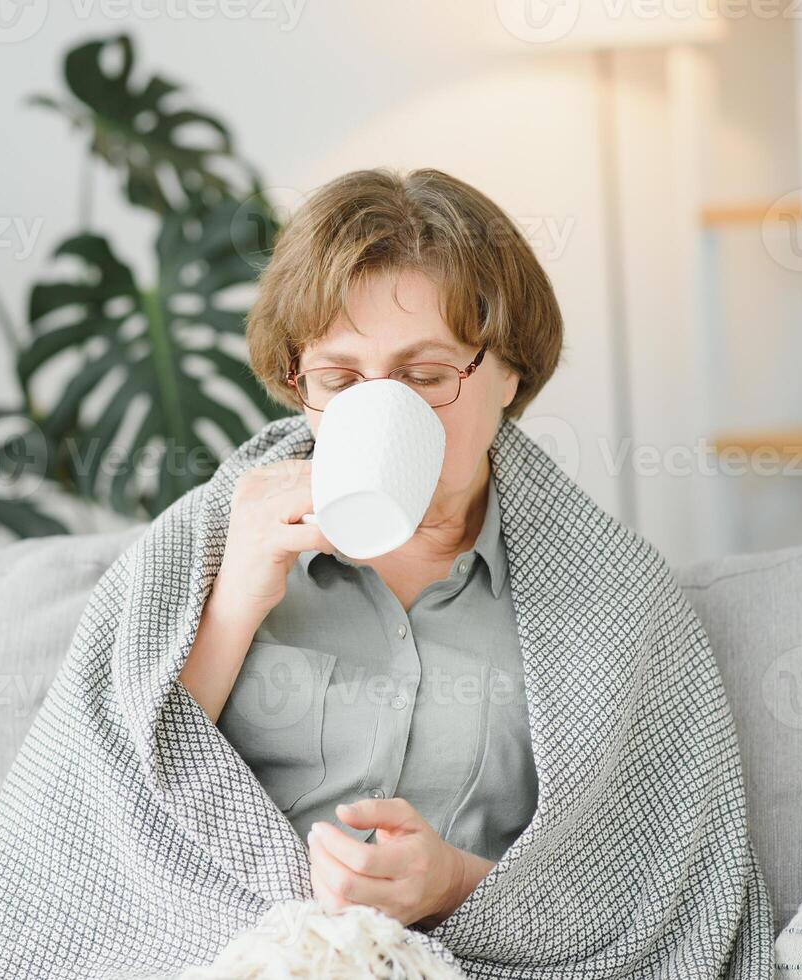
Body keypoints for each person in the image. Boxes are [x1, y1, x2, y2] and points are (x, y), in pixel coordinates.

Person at [178, 166, 563, 930]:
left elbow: (641, 887)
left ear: (511, 372)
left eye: (425, 374)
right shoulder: (221, 544)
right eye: (339, 377)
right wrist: (230, 607)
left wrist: (456, 883)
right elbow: (106, 794)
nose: (382, 408)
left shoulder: (603, 597)